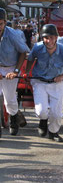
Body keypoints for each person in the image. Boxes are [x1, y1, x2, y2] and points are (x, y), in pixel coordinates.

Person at [25, 24, 63, 142]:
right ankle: (43, 121)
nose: (49, 41)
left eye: (51, 37)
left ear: (56, 38)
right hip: (39, 81)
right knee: (41, 111)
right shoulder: (37, 48)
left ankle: (53, 132)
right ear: (42, 38)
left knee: (56, 113)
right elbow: (30, 59)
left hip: (57, 83)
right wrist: (27, 72)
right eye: (46, 38)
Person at [0, 8, 30, 136]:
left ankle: (13, 118)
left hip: (10, 67)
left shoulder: (13, 35)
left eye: (0, 23)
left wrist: (16, 71)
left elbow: (23, 52)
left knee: (10, 99)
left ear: (5, 23)